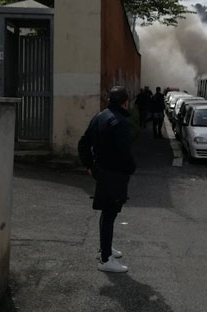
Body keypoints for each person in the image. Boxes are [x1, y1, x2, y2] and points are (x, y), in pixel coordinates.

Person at [78, 86, 136, 273]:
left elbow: (83, 144)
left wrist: (89, 166)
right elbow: (125, 155)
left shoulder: (99, 117)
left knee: (107, 213)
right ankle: (105, 259)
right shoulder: (120, 123)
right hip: (115, 175)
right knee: (110, 213)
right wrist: (131, 169)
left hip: (103, 172)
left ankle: (106, 248)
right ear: (125, 102)